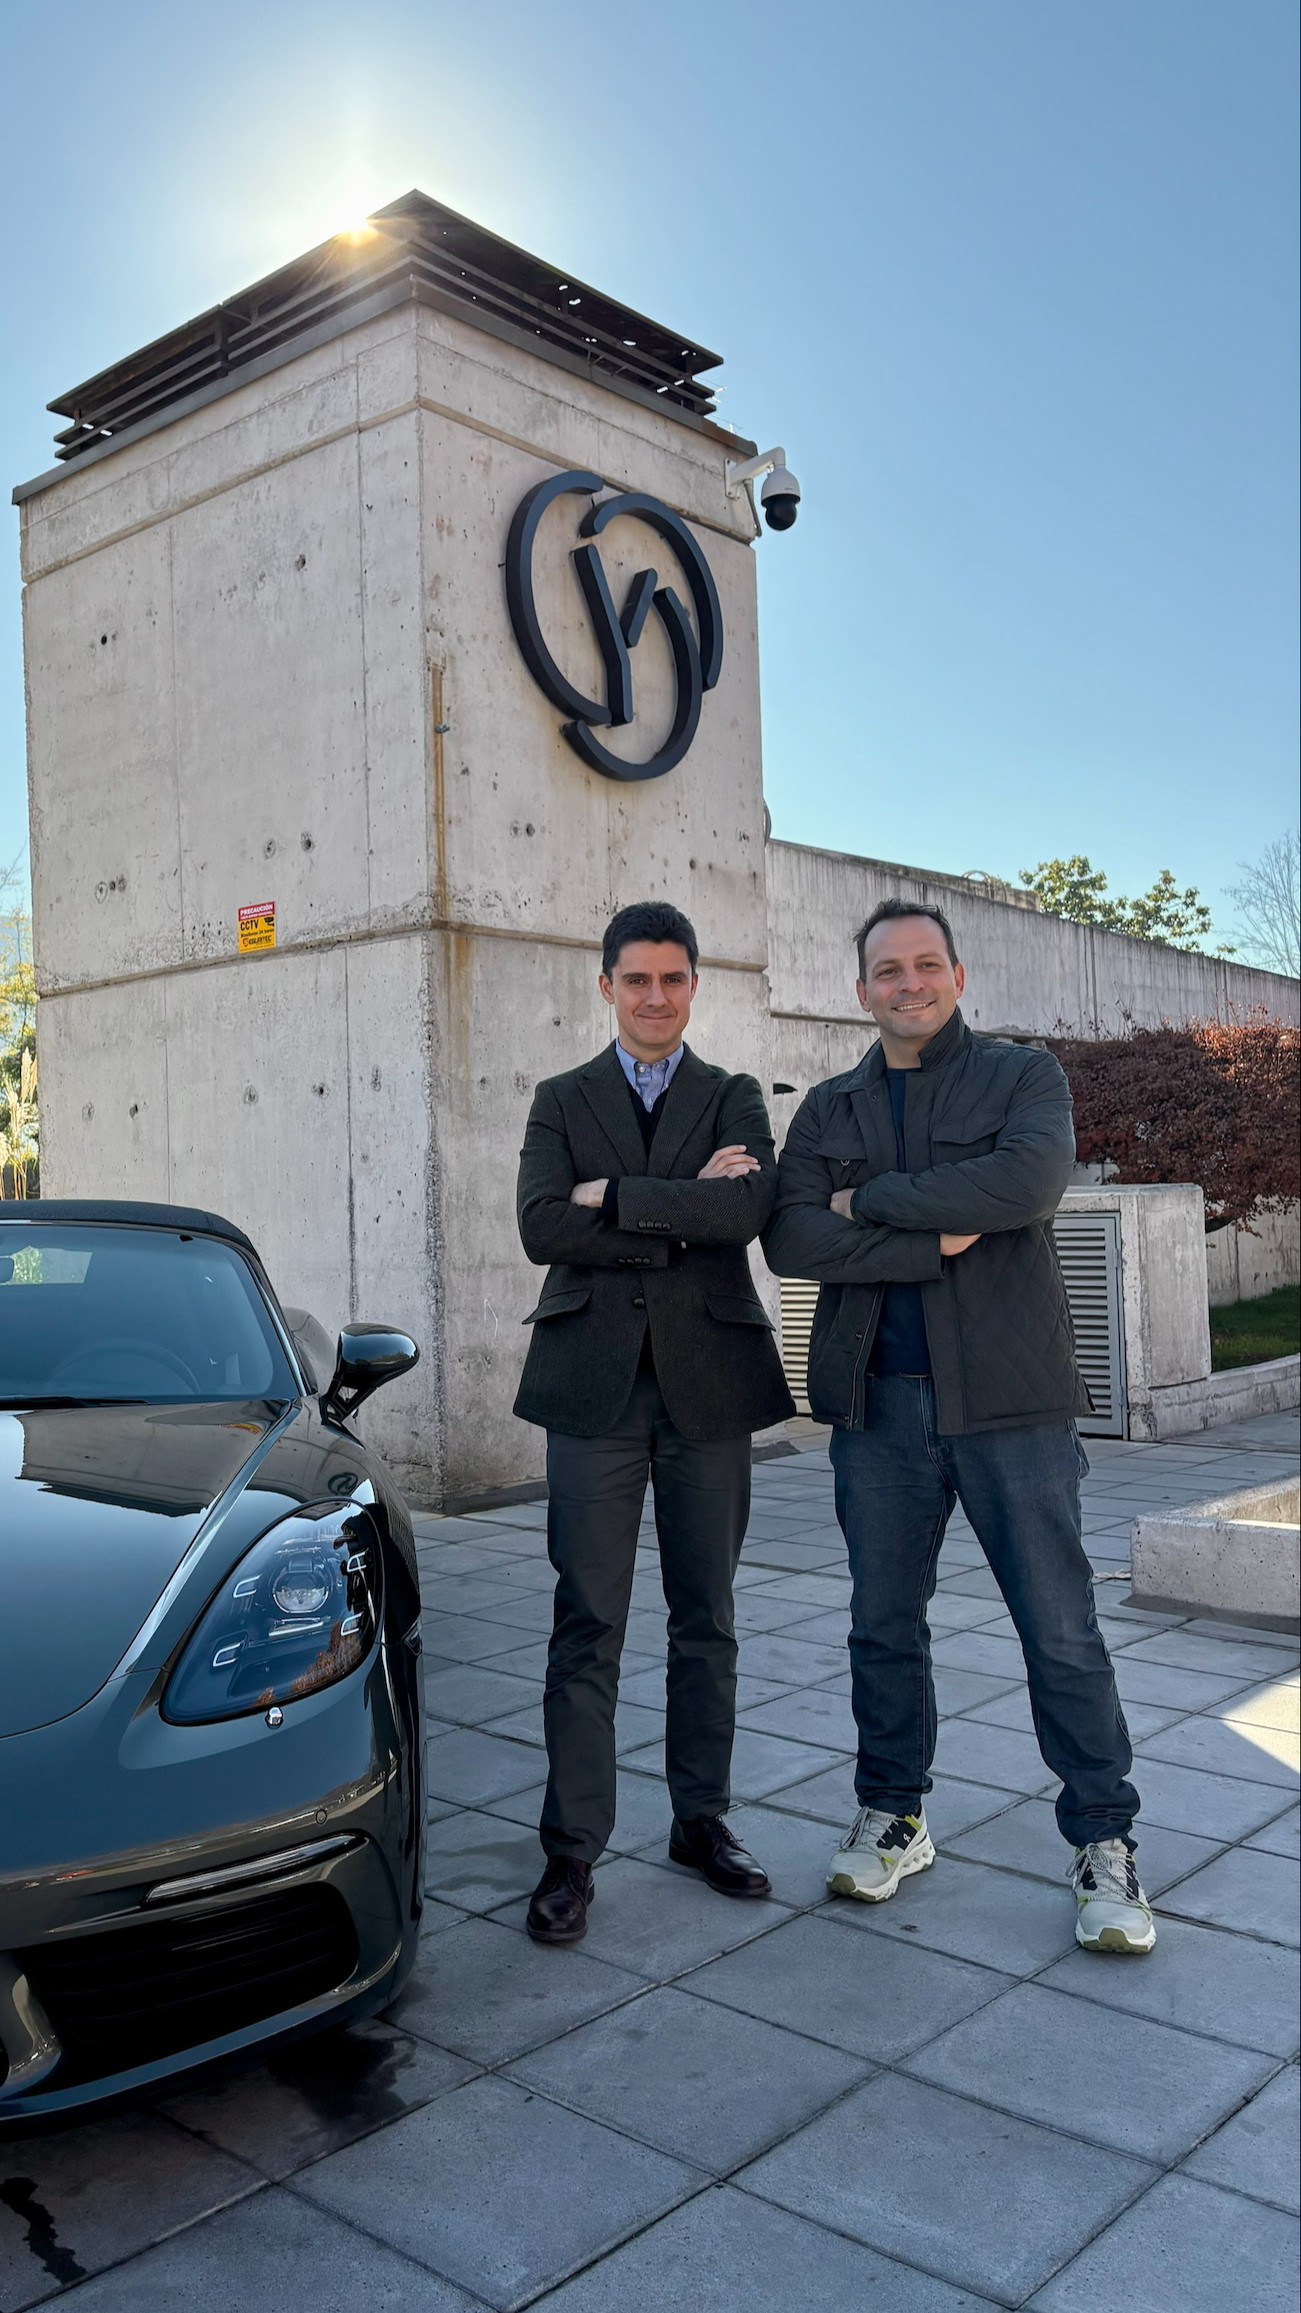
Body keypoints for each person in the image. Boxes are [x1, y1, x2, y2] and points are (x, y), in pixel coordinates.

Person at [763, 897, 1154, 1955]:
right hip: (875, 1409)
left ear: (955, 976)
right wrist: (923, 1237)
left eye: (924, 965)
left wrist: (866, 1202)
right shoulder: (830, 1106)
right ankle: (893, 1813)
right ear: (860, 991)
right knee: (881, 1627)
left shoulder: (1022, 1077)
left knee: (1059, 1631)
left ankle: (1103, 1843)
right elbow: (789, 1239)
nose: (907, 983)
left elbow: (1024, 1185)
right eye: (885, 970)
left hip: (1009, 1406)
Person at [514, 900, 795, 1944]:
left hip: (709, 1386)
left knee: (704, 1616)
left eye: (672, 978)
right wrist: (675, 1202)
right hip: (590, 1388)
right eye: (635, 979)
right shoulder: (558, 1097)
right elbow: (541, 1223)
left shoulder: (731, 1096)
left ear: (692, 986)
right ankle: (570, 1851)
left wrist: (617, 1196)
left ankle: (699, 1820)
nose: (654, 996)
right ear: (605, 987)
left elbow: (743, 1216)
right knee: (586, 1621)